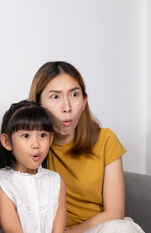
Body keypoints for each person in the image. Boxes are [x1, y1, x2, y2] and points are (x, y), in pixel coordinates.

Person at [29, 61, 145, 233]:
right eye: (55, 97)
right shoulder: (27, 144)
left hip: (102, 228)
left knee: (122, 228)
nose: (67, 107)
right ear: (38, 104)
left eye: (74, 95)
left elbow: (115, 212)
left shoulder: (105, 140)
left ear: (84, 101)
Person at [0, 100, 66, 233]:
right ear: (7, 141)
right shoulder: (1, 182)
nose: (36, 144)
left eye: (42, 135)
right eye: (26, 136)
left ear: (51, 139)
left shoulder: (56, 181)